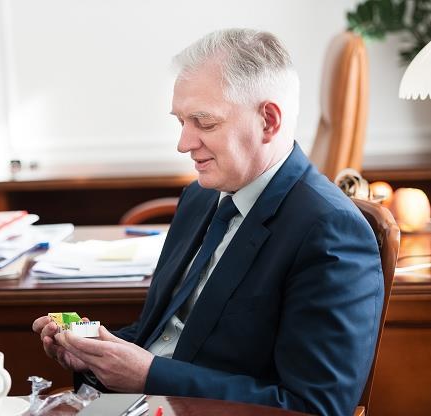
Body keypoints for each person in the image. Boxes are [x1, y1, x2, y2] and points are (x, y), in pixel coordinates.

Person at [32, 28, 383, 416]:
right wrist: (95, 353)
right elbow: (163, 337)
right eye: (181, 120)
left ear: (268, 121)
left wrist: (150, 376)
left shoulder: (330, 231)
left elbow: (315, 406)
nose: (183, 143)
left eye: (204, 122)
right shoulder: (201, 196)